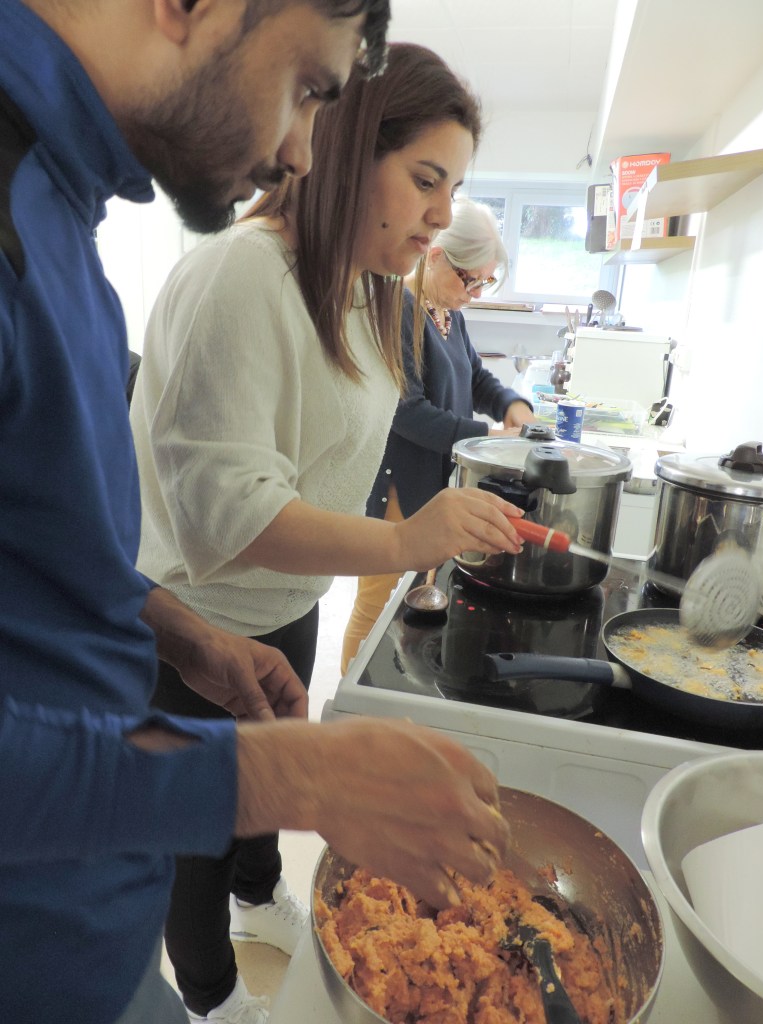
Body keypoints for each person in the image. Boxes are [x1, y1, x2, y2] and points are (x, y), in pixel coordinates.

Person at [0, 3, 513, 1023]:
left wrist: (175, 629)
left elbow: (44, 557)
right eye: (308, 89)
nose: (298, 152)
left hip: (85, 929)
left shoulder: (57, 212)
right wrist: (274, 779)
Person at [130, 41, 528, 1022]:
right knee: (198, 827)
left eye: (454, 188)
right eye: (425, 180)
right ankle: (212, 994)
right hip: (195, 613)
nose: (441, 214)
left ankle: (260, 897)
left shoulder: (372, 288)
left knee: (267, 790)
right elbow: (230, 512)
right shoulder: (243, 276)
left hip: (287, 599)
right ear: (350, 149)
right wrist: (401, 542)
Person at [341, 197, 537, 671]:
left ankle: (396, 681)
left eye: (484, 282)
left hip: (436, 478)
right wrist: (487, 436)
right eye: (469, 280)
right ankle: (351, 694)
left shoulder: (449, 313)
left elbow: (476, 379)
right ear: (434, 256)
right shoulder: (395, 309)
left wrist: (511, 405)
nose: (475, 293)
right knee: (377, 600)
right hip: (399, 483)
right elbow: (407, 412)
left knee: (417, 596)